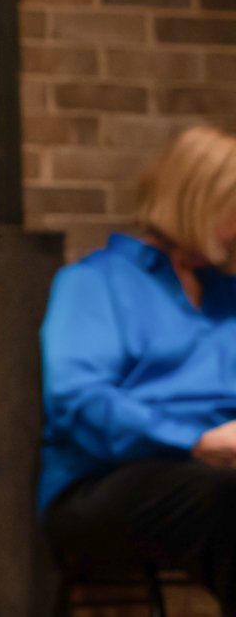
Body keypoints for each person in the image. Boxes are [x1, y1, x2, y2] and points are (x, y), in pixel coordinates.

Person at [42, 123, 236, 609]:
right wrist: (195, 440)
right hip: (107, 481)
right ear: (198, 203)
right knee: (225, 497)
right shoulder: (95, 282)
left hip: (211, 477)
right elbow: (78, 400)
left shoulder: (227, 297)